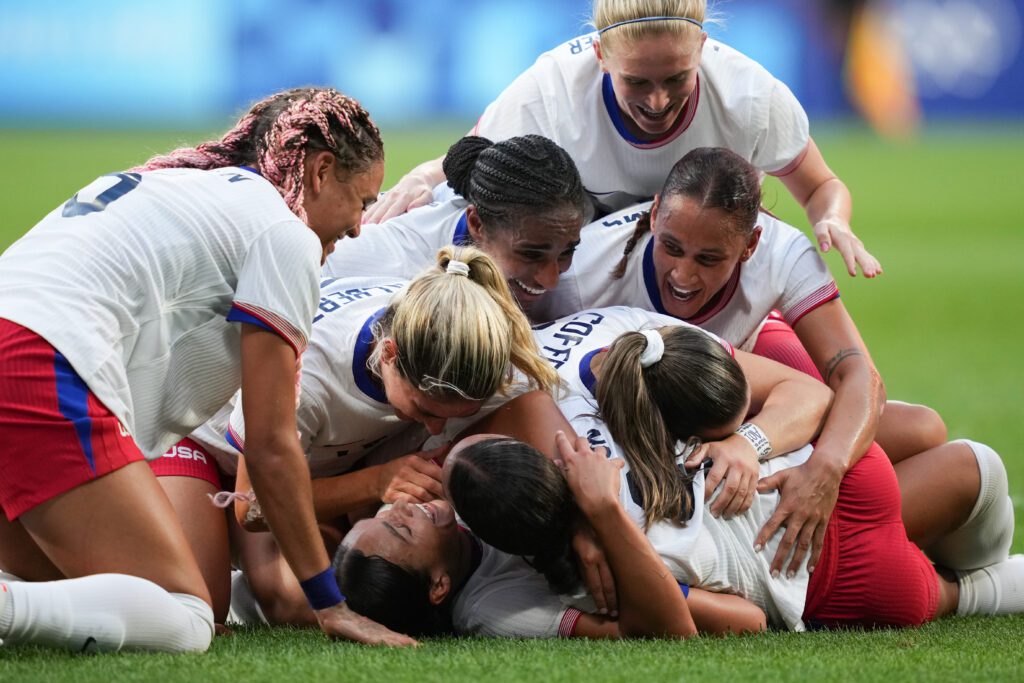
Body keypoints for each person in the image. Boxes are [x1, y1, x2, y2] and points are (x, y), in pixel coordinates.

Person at [0, 87, 415, 651]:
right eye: (363, 202)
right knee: (187, 618)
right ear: (320, 172)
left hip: (24, 345)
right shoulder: (283, 233)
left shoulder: (184, 181)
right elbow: (269, 447)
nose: (362, 227)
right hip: (37, 361)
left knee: (77, 589)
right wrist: (332, 606)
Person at [333, 324, 1022, 637]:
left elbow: (741, 618)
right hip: (808, 525)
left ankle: (973, 572)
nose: (410, 504)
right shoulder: (510, 579)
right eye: (397, 521)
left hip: (804, 522)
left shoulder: (513, 504)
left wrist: (594, 518)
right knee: (968, 466)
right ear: (438, 585)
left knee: (950, 465)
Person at [531, 147, 949, 574]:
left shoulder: (782, 254)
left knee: (922, 428)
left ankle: (869, 531)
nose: (683, 275)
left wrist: (817, 469)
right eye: (671, 248)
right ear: (655, 214)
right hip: (639, 431)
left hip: (728, 392)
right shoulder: (578, 278)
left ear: (750, 244)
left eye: (709, 259)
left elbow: (858, 373)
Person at [155, 246, 559, 626]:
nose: (434, 429)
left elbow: (529, 408)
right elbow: (254, 507)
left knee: (330, 595)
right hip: (201, 441)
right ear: (388, 355)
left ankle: (232, 550)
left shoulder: (451, 330)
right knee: (201, 611)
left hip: (307, 462)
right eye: (424, 411)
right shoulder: (310, 377)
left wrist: (577, 529)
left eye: (454, 416)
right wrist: (376, 482)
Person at [365, 0, 880, 279]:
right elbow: (471, 156)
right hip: (578, 266)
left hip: (699, 274)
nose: (657, 103)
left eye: (677, 78)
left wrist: (831, 218)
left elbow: (818, 186)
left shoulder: (750, 95)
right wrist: (421, 178)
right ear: (600, 57)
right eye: (637, 82)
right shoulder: (550, 90)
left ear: (702, 47)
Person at [324, 135, 585, 316]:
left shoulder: (538, 213)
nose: (551, 281)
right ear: (476, 224)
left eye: (567, 252)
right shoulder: (377, 261)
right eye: (530, 254)